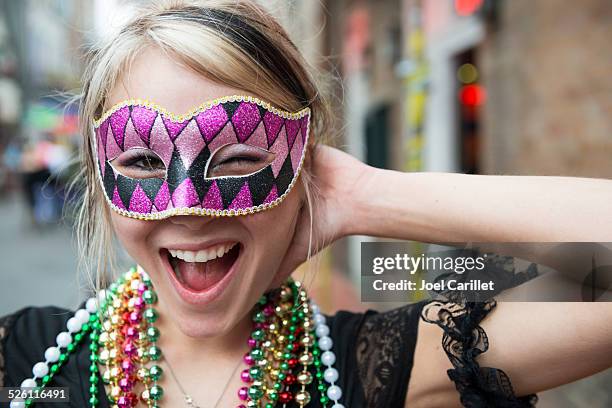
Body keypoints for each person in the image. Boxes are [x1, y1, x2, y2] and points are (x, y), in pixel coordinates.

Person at [1, 1, 611, 407]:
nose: (185, 206)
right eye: (140, 162)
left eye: (240, 157)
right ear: (102, 181)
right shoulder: (25, 365)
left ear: (304, 162)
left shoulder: (377, 365)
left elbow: (598, 275)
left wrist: (364, 197)